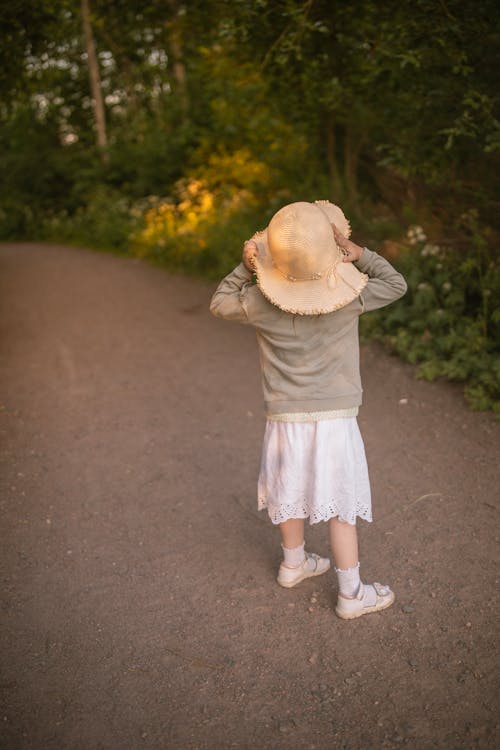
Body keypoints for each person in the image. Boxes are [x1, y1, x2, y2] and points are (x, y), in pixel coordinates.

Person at [210, 200, 407, 619]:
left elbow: (220, 301)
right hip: (335, 420)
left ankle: (293, 563)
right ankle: (351, 593)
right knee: (339, 505)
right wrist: (360, 253)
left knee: (289, 489)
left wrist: (247, 267)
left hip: (285, 418)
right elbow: (395, 284)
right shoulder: (347, 298)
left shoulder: (260, 301)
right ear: (332, 253)